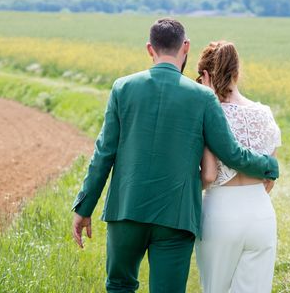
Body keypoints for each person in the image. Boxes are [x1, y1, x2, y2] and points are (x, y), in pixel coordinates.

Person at [71, 18, 279, 293]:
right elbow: (231, 153)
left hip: (127, 209)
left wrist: (84, 207)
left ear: (150, 49)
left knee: (120, 286)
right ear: (186, 47)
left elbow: (104, 153)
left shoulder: (123, 87)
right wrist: (269, 165)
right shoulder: (203, 98)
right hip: (177, 217)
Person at [195, 40, 281, 293]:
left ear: (205, 76)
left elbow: (209, 175)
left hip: (220, 214)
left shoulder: (209, 114)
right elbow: (269, 179)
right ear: (236, 72)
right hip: (261, 214)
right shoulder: (264, 113)